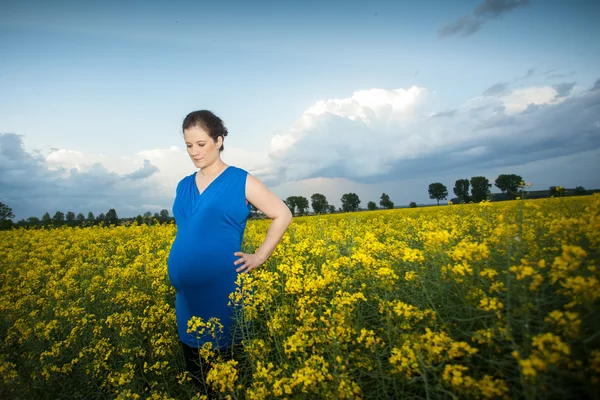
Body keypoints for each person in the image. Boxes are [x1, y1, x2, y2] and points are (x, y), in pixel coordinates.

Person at [166, 110, 292, 393]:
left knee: (231, 377)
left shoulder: (239, 180)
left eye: (201, 144)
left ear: (219, 140)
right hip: (186, 300)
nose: (194, 152)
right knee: (200, 378)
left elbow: (282, 214)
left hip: (224, 292)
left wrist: (259, 256)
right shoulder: (183, 185)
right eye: (188, 145)